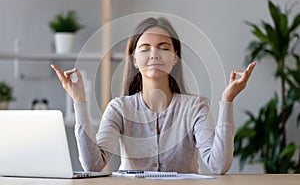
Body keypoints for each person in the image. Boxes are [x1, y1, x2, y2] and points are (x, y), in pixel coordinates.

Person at [51, 17, 256, 175]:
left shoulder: (195, 107)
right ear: (134, 59)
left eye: (163, 47)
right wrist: (79, 102)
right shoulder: (119, 108)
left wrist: (227, 100)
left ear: (175, 57)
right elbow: (93, 165)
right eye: (145, 48)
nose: (154, 55)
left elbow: (219, 165)